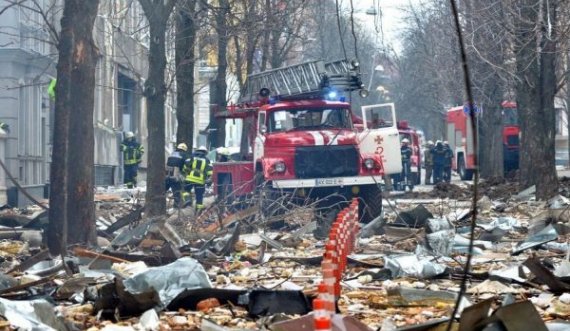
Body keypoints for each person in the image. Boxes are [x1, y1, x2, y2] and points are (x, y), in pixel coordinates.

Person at [182, 146, 213, 212]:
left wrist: (186, 172)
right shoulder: (207, 160)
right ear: (205, 152)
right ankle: (198, 211)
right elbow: (210, 171)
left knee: (185, 190)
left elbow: (185, 166)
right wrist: (209, 179)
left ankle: (187, 200)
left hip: (190, 178)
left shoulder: (192, 157)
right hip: (200, 180)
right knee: (199, 195)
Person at [165, 143, 189, 207]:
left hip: (167, 175)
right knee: (177, 191)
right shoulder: (184, 155)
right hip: (176, 176)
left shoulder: (171, 154)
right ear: (184, 149)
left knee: (163, 190)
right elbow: (186, 166)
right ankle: (177, 206)